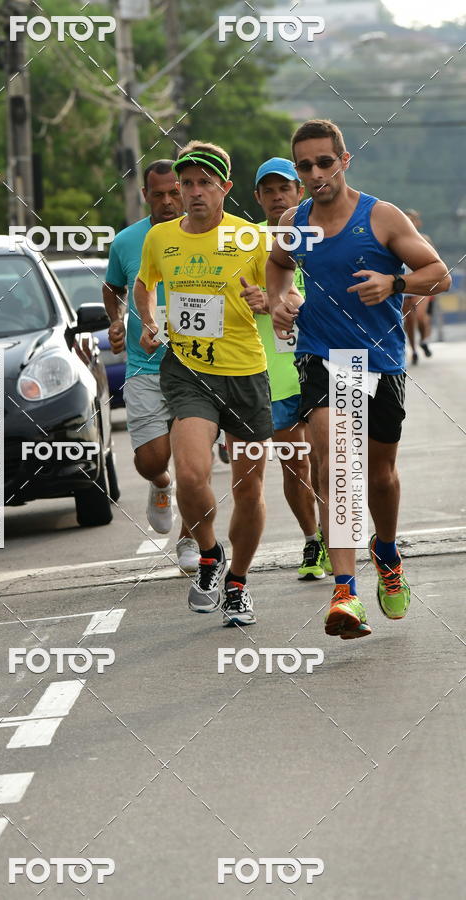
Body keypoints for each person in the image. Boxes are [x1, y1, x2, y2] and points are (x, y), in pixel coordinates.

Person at [267, 118, 450, 639]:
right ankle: (345, 592)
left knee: (380, 476)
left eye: (325, 161)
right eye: (305, 165)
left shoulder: (382, 217)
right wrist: (282, 302)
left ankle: (386, 551)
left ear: (345, 161)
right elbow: (278, 266)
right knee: (335, 462)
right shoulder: (293, 220)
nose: (315, 173)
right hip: (325, 359)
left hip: (381, 360)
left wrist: (393, 282)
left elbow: (439, 273)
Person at [135, 141, 273, 627]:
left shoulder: (251, 239)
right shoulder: (161, 239)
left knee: (249, 489)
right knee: (191, 475)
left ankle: (237, 582)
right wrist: (149, 322)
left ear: (225, 189)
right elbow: (144, 283)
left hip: (246, 375)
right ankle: (210, 551)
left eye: (204, 184)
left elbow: (283, 291)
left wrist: (267, 301)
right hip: (188, 371)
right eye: (186, 184)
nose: (193, 193)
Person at [103, 160, 200, 573]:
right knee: (151, 461)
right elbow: (112, 286)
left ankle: (191, 540)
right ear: (145, 195)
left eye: (174, 192)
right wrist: (115, 319)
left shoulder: (206, 235)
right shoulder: (127, 241)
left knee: (193, 464)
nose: (166, 201)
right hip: (145, 366)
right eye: (157, 194)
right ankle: (161, 486)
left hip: (197, 365)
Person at [253, 157, 331, 580]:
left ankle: (334, 534)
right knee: (294, 461)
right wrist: (257, 303)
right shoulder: (247, 243)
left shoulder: (320, 236)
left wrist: (287, 301)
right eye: (268, 190)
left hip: (318, 362)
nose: (277, 195)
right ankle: (312, 540)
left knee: (325, 457)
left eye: (284, 187)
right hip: (275, 372)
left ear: (299, 191)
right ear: (258, 197)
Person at [403, 209, 436, 362]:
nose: (409, 223)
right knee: (409, 320)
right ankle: (414, 350)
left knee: (421, 317)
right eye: (406, 219)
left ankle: (424, 340)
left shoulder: (424, 239)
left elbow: (434, 263)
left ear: (417, 223)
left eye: (412, 220)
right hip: (403, 285)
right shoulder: (395, 239)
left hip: (421, 284)